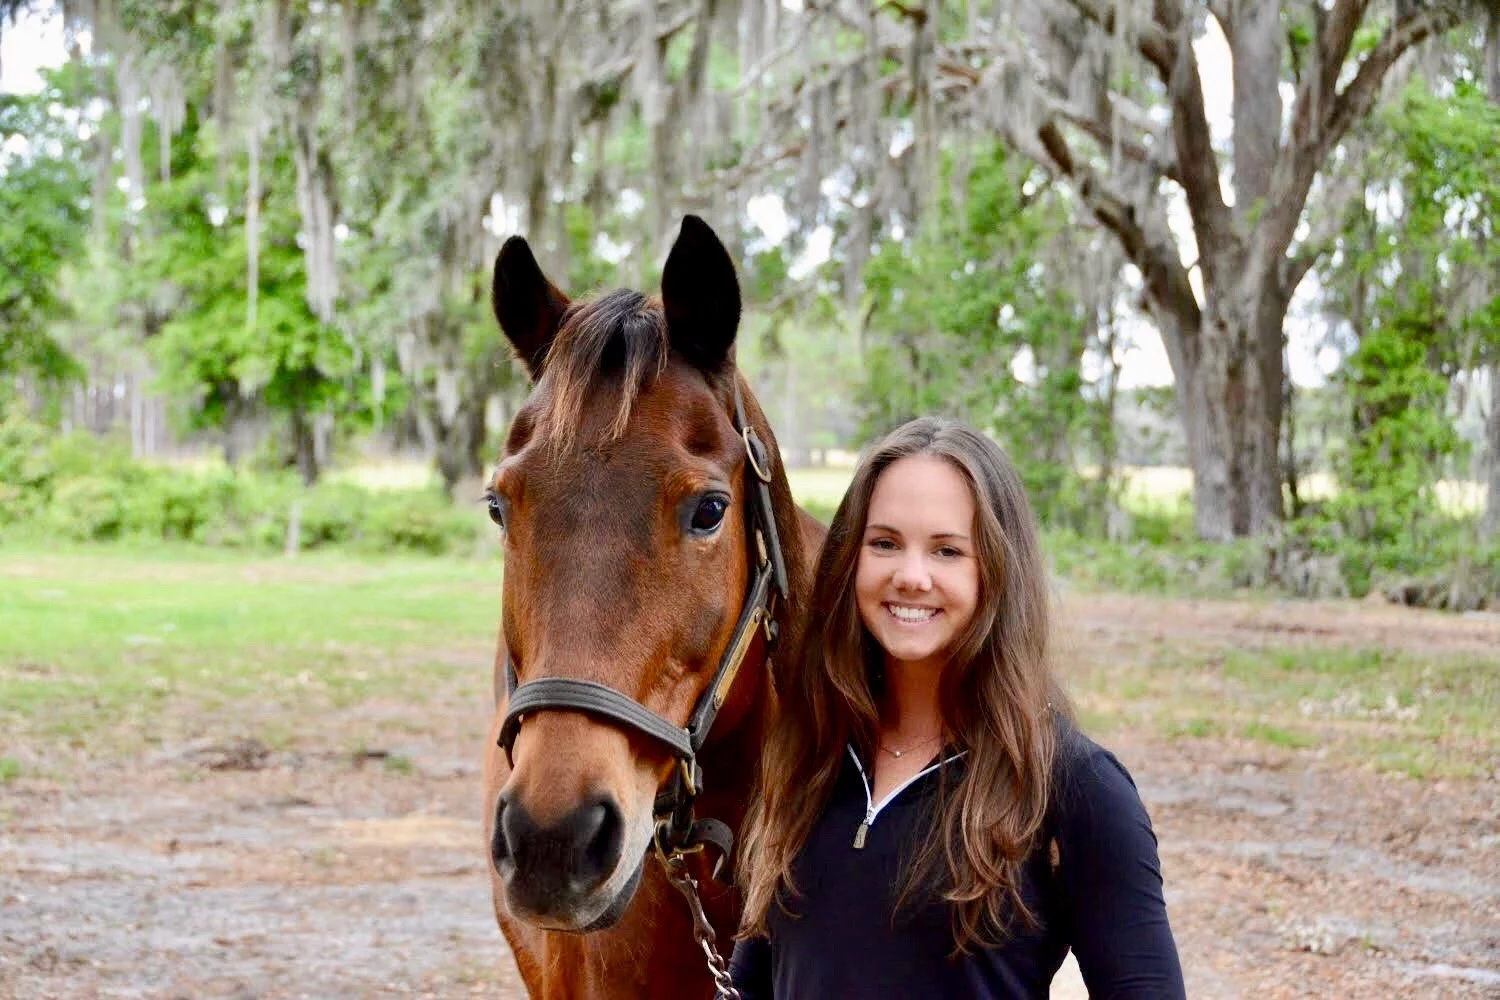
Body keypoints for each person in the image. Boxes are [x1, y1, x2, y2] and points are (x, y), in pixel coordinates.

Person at [730, 417, 1185, 999]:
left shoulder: (1075, 785)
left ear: (996, 570)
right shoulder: (807, 754)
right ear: (850, 560)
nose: (911, 577)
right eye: (885, 543)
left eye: (947, 551)